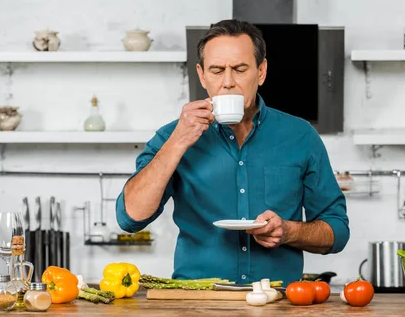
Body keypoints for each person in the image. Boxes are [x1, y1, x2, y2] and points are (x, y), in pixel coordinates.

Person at [116, 19, 349, 285]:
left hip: (277, 303)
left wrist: (288, 231)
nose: (228, 82)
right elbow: (129, 218)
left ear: (261, 72)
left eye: (239, 69)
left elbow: (337, 231)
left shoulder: (300, 135)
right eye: (216, 70)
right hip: (196, 304)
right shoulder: (172, 136)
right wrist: (177, 143)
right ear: (202, 75)